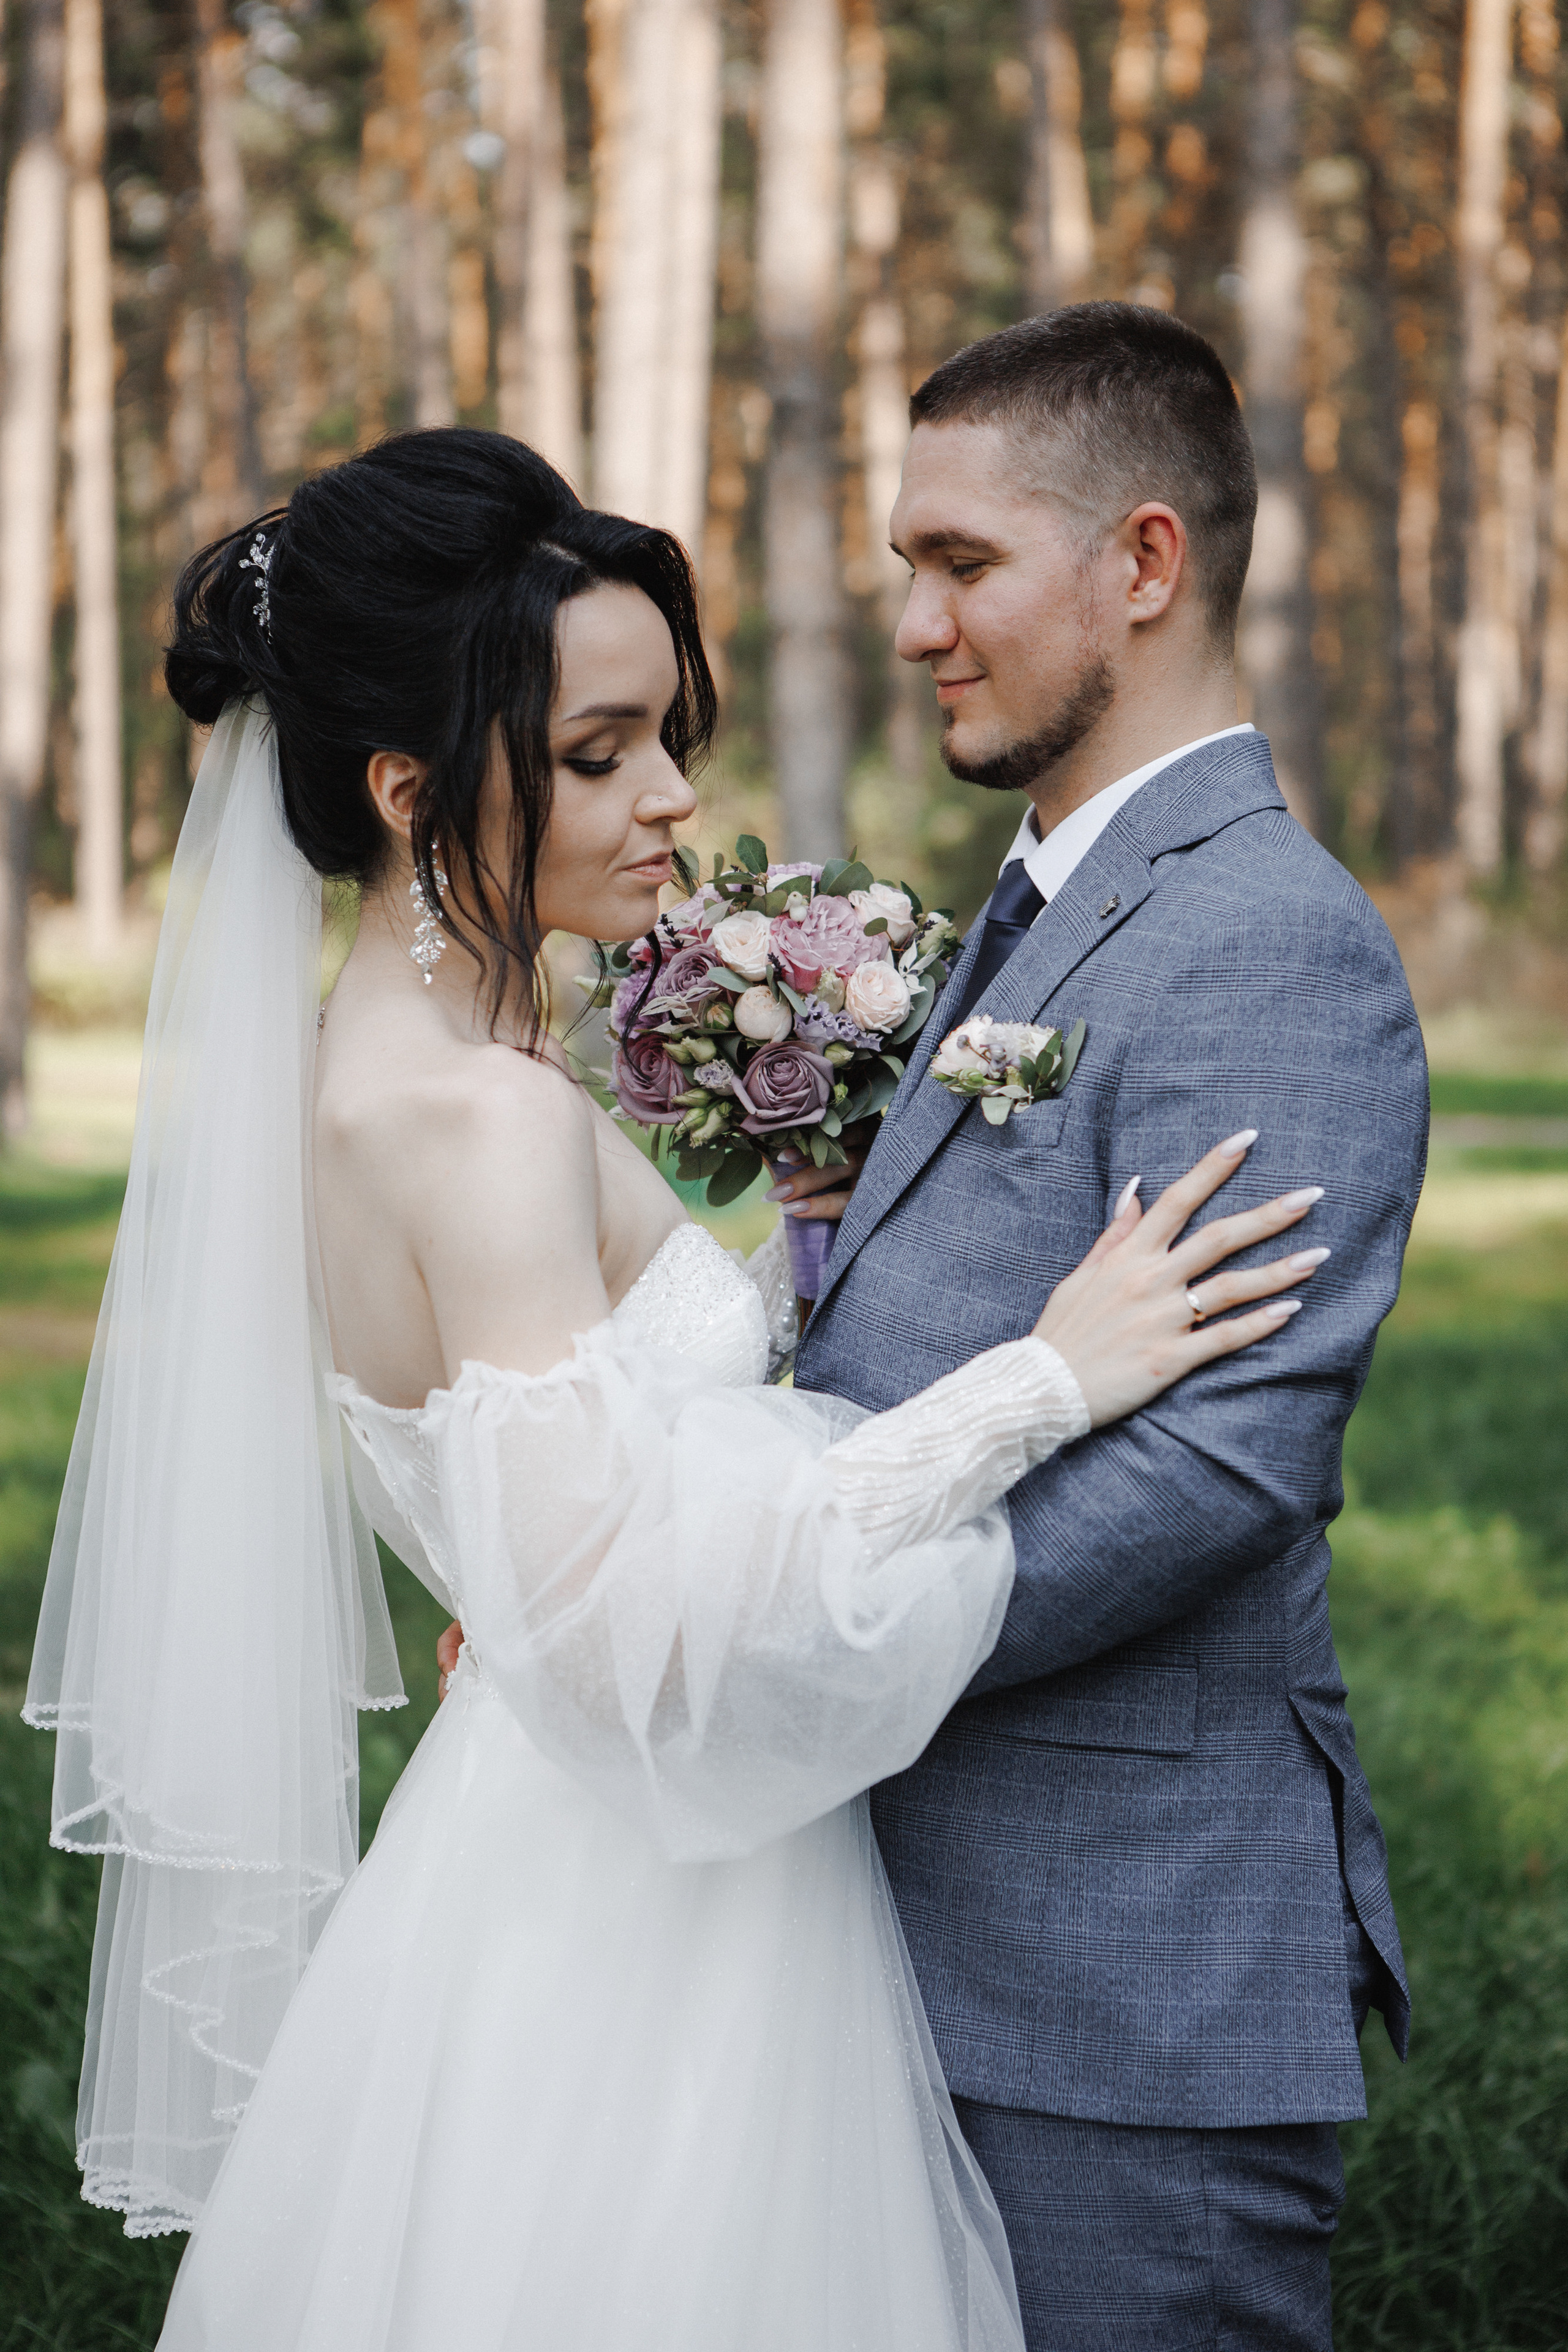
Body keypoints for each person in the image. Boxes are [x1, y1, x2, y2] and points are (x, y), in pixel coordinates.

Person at [25, 428, 1322, 2351]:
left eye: (665, 739)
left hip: (516, 1859)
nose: (671, 803)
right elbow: (622, 1627)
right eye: (596, 754)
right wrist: (1044, 1382)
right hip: (648, 1925)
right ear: (407, 788)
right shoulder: (480, 1123)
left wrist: (794, 1263)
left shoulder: (362, 1070)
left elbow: (552, 1509)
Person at [785, 304, 1430, 2350]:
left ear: (1142, 566)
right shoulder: (1060, 894)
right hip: (941, 1904)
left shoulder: (1265, 939)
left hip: (1119, 1967)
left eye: (961, 563)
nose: (915, 623)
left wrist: (820, 1638)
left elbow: (1227, 1456)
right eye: (912, 567)